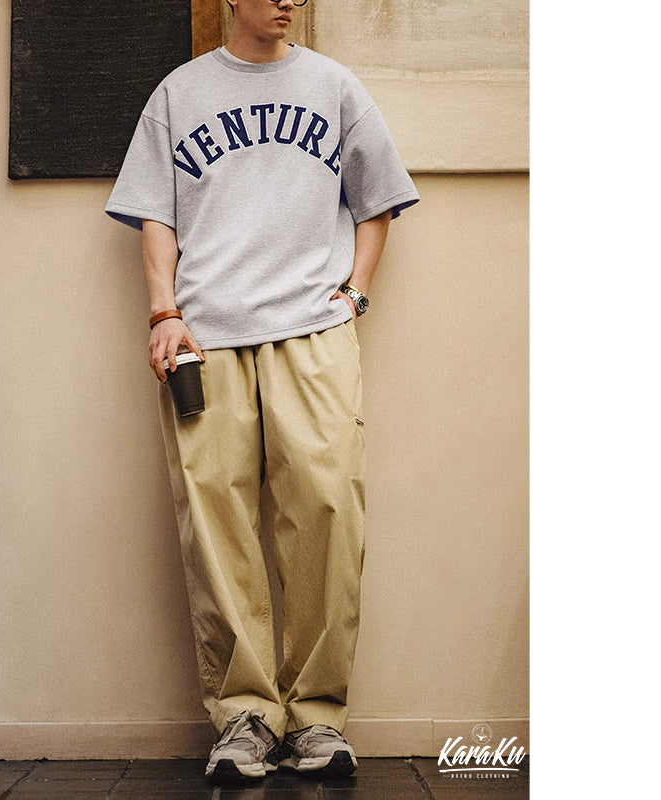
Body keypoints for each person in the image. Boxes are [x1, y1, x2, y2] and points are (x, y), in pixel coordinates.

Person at [105, 0, 419, 785]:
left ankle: (318, 718)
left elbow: (378, 200)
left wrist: (356, 294)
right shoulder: (179, 94)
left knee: (327, 512)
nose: (288, 2)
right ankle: (244, 717)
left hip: (312, 333)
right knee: (216, 524)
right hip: (205, 338)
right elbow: (155, 216)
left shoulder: (335, 88)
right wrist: (163, 312)